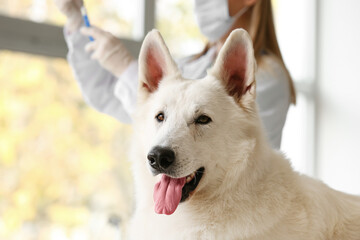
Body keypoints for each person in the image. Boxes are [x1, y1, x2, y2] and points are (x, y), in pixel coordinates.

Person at [54, 0, 296, 149]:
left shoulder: (266, 77)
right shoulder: (190, 66)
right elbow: (106, 91)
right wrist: (76, 20)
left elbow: (229, 149)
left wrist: (127, 68)